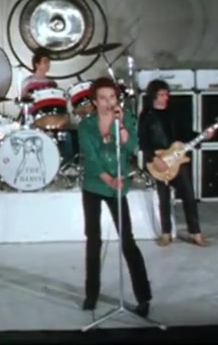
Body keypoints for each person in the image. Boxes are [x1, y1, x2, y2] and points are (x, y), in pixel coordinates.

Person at [77, 77, 152, 317]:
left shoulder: (125, 118)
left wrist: (120, 125)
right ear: (94, 102)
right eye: (103, 98)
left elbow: (131, 147)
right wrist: (107, 179)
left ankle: (143, 297)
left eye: (112, 97)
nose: (108, 102)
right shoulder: (86, 125)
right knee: (94, 240)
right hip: (94, 184)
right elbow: (90, 157)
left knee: (127, 240)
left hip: (118, 185)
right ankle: (91, 294)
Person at [138, 79, 210, 247]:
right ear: (153, 96)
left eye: (166, 94)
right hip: (159, 160)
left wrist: (203, 135)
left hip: (178, 159)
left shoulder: (174, 112)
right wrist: (153, 158)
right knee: (163, 198)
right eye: (161, 95)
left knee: (189, 195)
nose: (165, 98)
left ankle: (195, 233)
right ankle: (166, 233)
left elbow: (186, 134)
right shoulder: (146, 116)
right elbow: (143, 141)